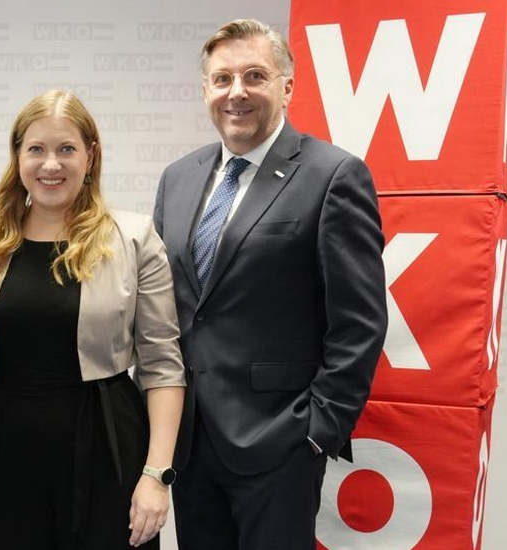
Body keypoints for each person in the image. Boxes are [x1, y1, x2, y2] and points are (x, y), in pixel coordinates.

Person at [152, 19, 388, 549]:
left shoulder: (333, 176)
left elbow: (360, 322)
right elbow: (172, 306)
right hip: (189, 442)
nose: (237, 92)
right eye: (222, 79)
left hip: (280, 442)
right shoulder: (178, 178)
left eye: (254, 76)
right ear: (206, 90)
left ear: (286, 86)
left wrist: (316, 430)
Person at [0, 90, 186, 549]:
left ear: (91, 156)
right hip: (4, 455)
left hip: (107, 450)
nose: (50, 165)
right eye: (36, 149)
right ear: (17, 156)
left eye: (66, 149)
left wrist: (156, 476)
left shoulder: (134, 238)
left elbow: (163, 364)